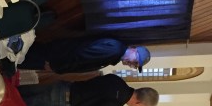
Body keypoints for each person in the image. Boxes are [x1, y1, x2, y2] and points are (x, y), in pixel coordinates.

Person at [19, 74, 158, 106]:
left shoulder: (117, 80)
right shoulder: (117, 103)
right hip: (61, 104)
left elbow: (94, 89)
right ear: (139, 103)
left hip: (63, 87)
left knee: (16, 93)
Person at [22, 37, 150, 74]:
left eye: (135, 65)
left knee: (20, 57)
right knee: (18, 57)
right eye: (135, 61)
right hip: (55, 56)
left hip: (57, 55)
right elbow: (81, 55)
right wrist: (56, 66)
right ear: (134, 49)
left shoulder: (115, 53)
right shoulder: (114, 50)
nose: (132, 64)